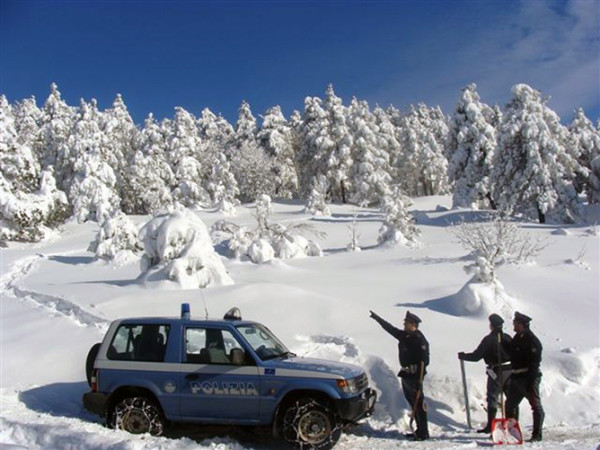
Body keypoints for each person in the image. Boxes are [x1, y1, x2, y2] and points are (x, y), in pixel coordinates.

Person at [370, 310, 430, 441]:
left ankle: (423, 432)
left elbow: (423, 361)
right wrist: (377, 318)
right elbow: (390, 329)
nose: (404, 324)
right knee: (412, 402)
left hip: (415, 376)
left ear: (413, 324)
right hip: (406, 375)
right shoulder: (405, 336)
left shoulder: (419, 339)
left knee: (418, 404)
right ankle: (419, 430)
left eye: (406, 323)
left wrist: (419, 380)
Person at [458, 313, 512, 433]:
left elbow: (477, 356)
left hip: (497, 371)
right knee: (511, 398)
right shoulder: (508, 338)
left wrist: (464, 356)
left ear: (491, 326)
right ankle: (512, 423)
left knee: (493, 396)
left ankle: (490, 426)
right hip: (510, 369)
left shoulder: (489, 339)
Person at [503, 311, 544, 442]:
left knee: (535, 405)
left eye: (515, 323)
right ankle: (512, 432)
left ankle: (537, 434)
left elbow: (534, 362)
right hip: (516, 377)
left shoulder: (532, 341)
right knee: (510, 405)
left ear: (522, 324)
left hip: (528, 377)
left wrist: (531, 381)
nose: (513, 325)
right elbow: (512, 352)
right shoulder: (517, 338)